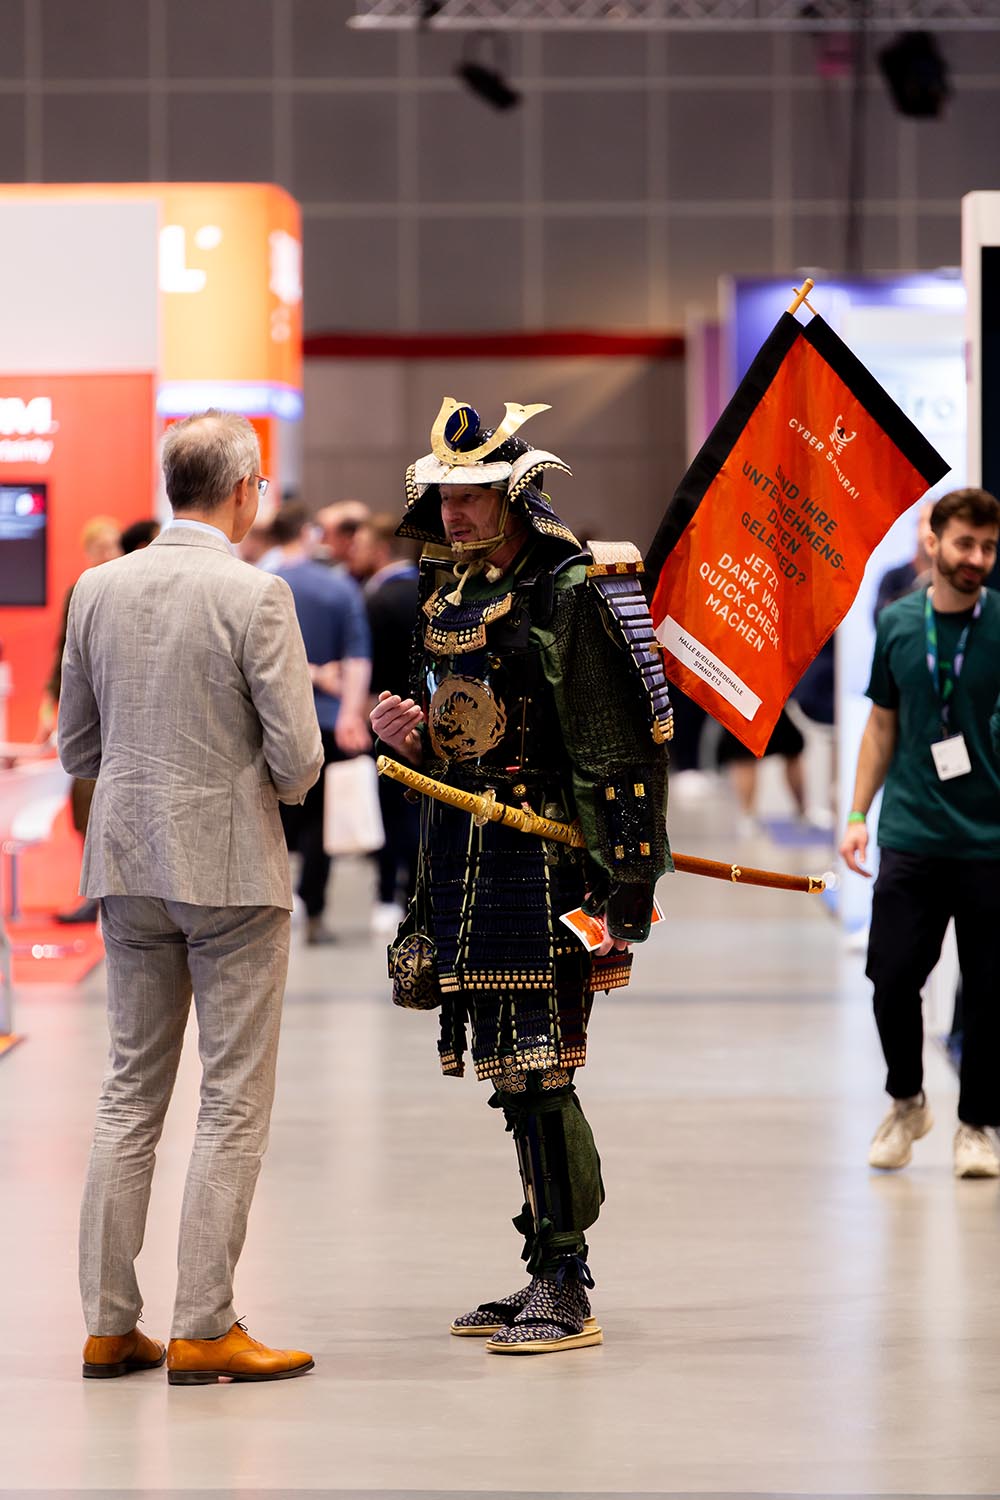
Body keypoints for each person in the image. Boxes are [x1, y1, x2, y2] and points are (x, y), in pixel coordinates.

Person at [371, 399, 672, 1354]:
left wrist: (627, 877)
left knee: (541, 1067)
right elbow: (456, 734)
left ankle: (566, 1280)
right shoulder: (448, 596)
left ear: (516, 492)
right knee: (509, 1069)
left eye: (473, 494)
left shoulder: (568, 591)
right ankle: (544, 1259)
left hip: (547, 863)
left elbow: (619, 745)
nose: (454, 511)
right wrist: (414, 739)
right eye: (445, 495)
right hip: (466, 857)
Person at [58, 410, 323, 1384]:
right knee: (231, 1099)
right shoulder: (255, 594)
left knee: (129, 1093)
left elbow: (76, 745)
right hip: (232, 872)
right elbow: (298, 758)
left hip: (127, 865)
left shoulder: (97, 587)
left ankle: (108, 1325)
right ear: (246, 489)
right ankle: (205, 1324)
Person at [840, 487, 1000, 1180]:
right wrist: (856, 815)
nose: (977, 559)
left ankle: (978, 1125)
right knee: (891, 975)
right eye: (965, 543)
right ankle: (908, 1102)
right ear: (933, 542)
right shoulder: (900, 623)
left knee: (991, 990)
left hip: (991, 841)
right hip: (912, 832)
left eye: (988, 547)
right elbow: (882, 724)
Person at [270, 501, 372, 943]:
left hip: (274, 721)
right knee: (319, 821)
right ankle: (313, 911)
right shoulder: (339, 587)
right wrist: (350, 713)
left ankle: (275, 906)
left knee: (270, 817)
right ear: (307, 534)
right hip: (328, 721)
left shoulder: (264, 583)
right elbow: (358, 657)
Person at [37, 516, 123, 925]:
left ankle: (111, 894)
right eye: (99, 547)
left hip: (121, 710)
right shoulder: (81, 592)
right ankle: (97, 891)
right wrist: (48, 705)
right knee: (83, 802)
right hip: (91, 713)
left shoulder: (128, 586)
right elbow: (64, 656)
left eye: (112, 545)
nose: (107, 553)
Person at [352, 514, 421, 931]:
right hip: (429, 722)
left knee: (389, 813)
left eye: (359, 545)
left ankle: (386, 893)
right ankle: (415, 891)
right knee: (420, 810)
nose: (352, 553)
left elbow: (366, 670)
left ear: (379, 550)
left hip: (385, 721)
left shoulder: (376, 600)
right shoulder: (433, 592)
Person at [873, 499, 933, 620]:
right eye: (923, 521)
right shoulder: (893, 578)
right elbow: (881, 619)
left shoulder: (950, 578)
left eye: (933, 522)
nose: (927, 530)